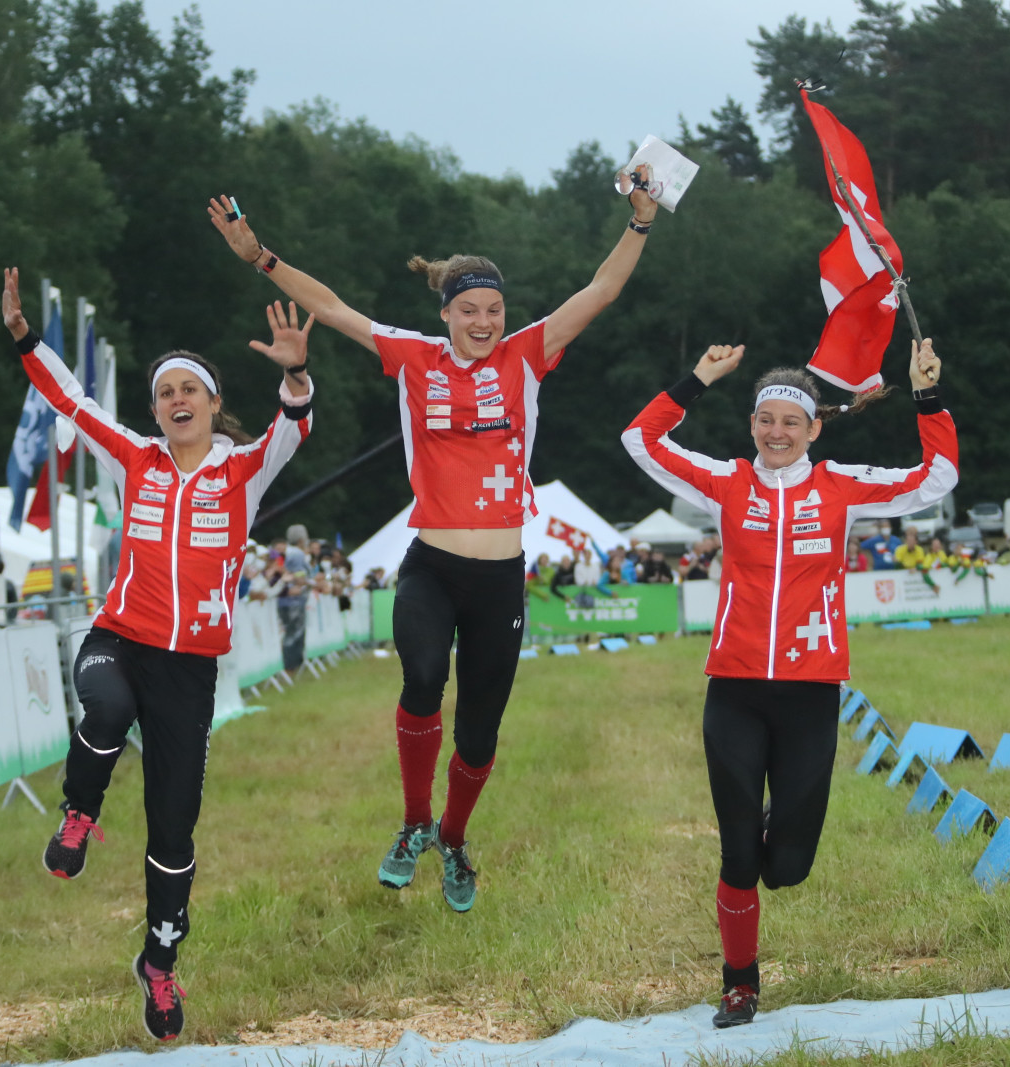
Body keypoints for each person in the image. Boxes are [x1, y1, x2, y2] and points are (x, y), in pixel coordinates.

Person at [209, 175, 662, 913]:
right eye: (469, 310)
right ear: (445, 312)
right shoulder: (413, 356)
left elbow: (602, 290)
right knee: (422, 678)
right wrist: (261, 257)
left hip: (500, 577)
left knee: (479, 734)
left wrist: (639, 223)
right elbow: (332, 308)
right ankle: (415, 822)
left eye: (494, 310)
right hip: (431, 565)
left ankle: (452, 838)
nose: (484, 322)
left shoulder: (528, 353)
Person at [1, 269, 314, 1042]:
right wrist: (26, 338)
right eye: (166, 391)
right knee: (106, 709)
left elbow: (294, 425)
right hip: (118, 639)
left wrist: (296, 373)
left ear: (212, 403)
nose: (178, 399)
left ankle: (159, 961)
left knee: (173, 831)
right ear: (155, 409)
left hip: (189, 670)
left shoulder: (243, 471)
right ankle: (79, 812)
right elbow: (71, 400)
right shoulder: (134, 457)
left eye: (190, 390)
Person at [621, 339, 956, 1029]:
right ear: (752, 424)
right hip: (734, 690)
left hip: (811, 692)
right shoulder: (725, 483)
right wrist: (698, 379)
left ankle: (775, 832)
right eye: (766, 420)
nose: (777, 433)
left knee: (787, 868)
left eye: (791, 422)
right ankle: (739, 983)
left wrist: (927, 396)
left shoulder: (842, 487)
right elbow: (641, 439)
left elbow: (937, 477)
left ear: (814, 429)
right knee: (738, 852)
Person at [278, 524, 314, 673]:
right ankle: (291, 666)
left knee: (291, 632)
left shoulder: (289, 552)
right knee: (294, 633)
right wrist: (312, 583)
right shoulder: (297, 553)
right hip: (294, 600)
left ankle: (293, 666)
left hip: (287, 599)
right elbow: (299, 576)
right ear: (301, 539)